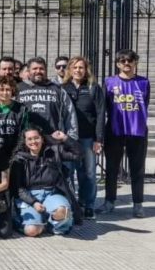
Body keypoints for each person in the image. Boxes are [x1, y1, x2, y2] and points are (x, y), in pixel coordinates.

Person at [98, 50, 150, 218]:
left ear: (135, 62)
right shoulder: (109, 82)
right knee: (112, 168)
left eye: (130, 60)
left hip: (137, 130)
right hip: (115, 130)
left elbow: (145, 103)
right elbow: (104, 106)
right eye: (123, 60)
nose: (126, 63)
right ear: (117, 63)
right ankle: (109, 201)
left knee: (138, 169)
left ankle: (138, 204)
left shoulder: (144, 82)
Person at [11, 128, 79, 237]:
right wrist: (34, 202)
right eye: (30, 139)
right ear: (25, 141)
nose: (34, 142)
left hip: (52, 193)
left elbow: (78, 154)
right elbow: (18, 188)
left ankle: (51, 223)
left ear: (42, 139)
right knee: (32, 231)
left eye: (36, 138)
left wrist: (65, 138)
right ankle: (37, 223)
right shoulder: (19, 159)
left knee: (63, 212)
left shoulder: (54, 151)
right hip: (29, 197)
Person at [61, 56, 105, 219]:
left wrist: (99, 139)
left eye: (81, 67)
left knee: (88, 173)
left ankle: (88, 204)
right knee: (68, 171)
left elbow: (101, 114)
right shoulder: (63, 88)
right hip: (69, 138)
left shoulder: (94, 87)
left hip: (88, 137)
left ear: (86, 70)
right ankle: (72, 203)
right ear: (70, 70)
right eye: (75, 67)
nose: (78, 70)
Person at [17, 57, 78, 140]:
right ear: (28, 71)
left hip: (54, 138)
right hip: (27, 140)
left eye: (41, 69)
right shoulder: (18, 89)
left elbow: (70, 114)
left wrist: (71, 138)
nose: (38, 71)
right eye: (35, 69)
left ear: (46, 70)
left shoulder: (57, 89)